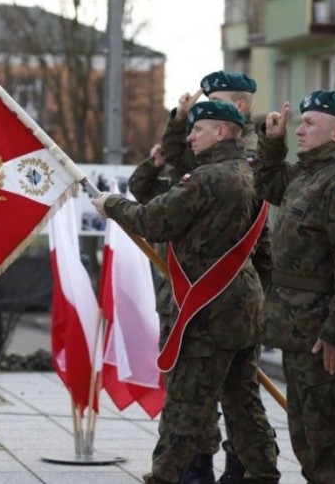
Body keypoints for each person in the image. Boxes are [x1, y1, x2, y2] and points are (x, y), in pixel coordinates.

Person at [93, 100, 279, 484]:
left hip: (206, 308)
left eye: (198, 129)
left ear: (222, 132)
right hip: (240, 301)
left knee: (184, 403)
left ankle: (164, 477)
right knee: (243, 402)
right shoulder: (248, 174)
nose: (191, 136)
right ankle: (263, 474)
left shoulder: (209, 178)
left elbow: (154, 220)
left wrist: (111, 205)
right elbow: (262, 250)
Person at [255, 90, 335, 483]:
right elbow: (265, 184)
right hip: (294, 327)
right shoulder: (305, 175)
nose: (299, 130)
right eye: (300, 122)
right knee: (305, 438)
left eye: (308, 124)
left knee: (328, 442)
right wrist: (273, 142)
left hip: (321, 332)